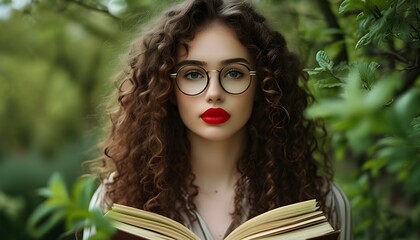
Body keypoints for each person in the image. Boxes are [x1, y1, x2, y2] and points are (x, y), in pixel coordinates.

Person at [84, 0, 352, 239]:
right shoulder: (113, 204)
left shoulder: (324, 203)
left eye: (234, 73)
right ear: (167, 89)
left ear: (263, 86)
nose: (214, 93)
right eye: (193, 74)